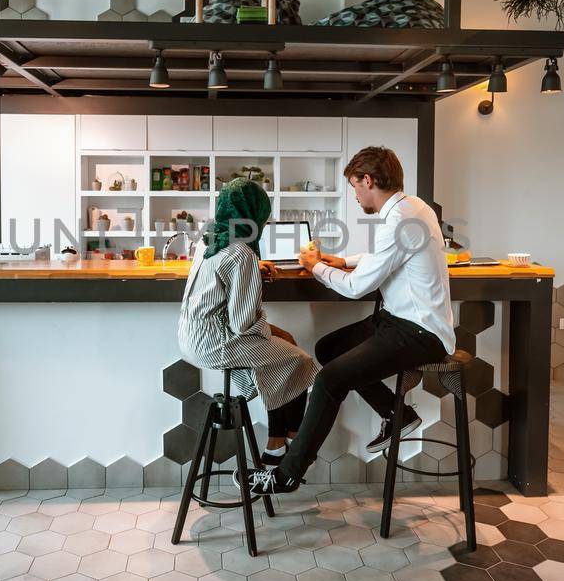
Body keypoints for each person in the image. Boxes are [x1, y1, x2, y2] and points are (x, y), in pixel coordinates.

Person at [247, 146, 454, 495]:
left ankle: (287, 474)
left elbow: (358, 288)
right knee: (330, 348)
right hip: (398, 320)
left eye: (355, 187)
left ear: (368, 180)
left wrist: (317, 267)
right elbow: (381, 257)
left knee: (329, 380)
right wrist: (339, 260)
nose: (356, 195)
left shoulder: (401, 219)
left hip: (419, 332)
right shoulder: (412, 207)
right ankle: (397, 413)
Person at [178, 177, 318, 463]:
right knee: (298, 359)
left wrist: (253, 268)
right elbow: (244, 323)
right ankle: (290, 440)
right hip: (217, 341)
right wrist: (277, 331)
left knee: (277, 354)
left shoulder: (209, 240)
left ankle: (279, 444)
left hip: (190, 336)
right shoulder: (242, 253)